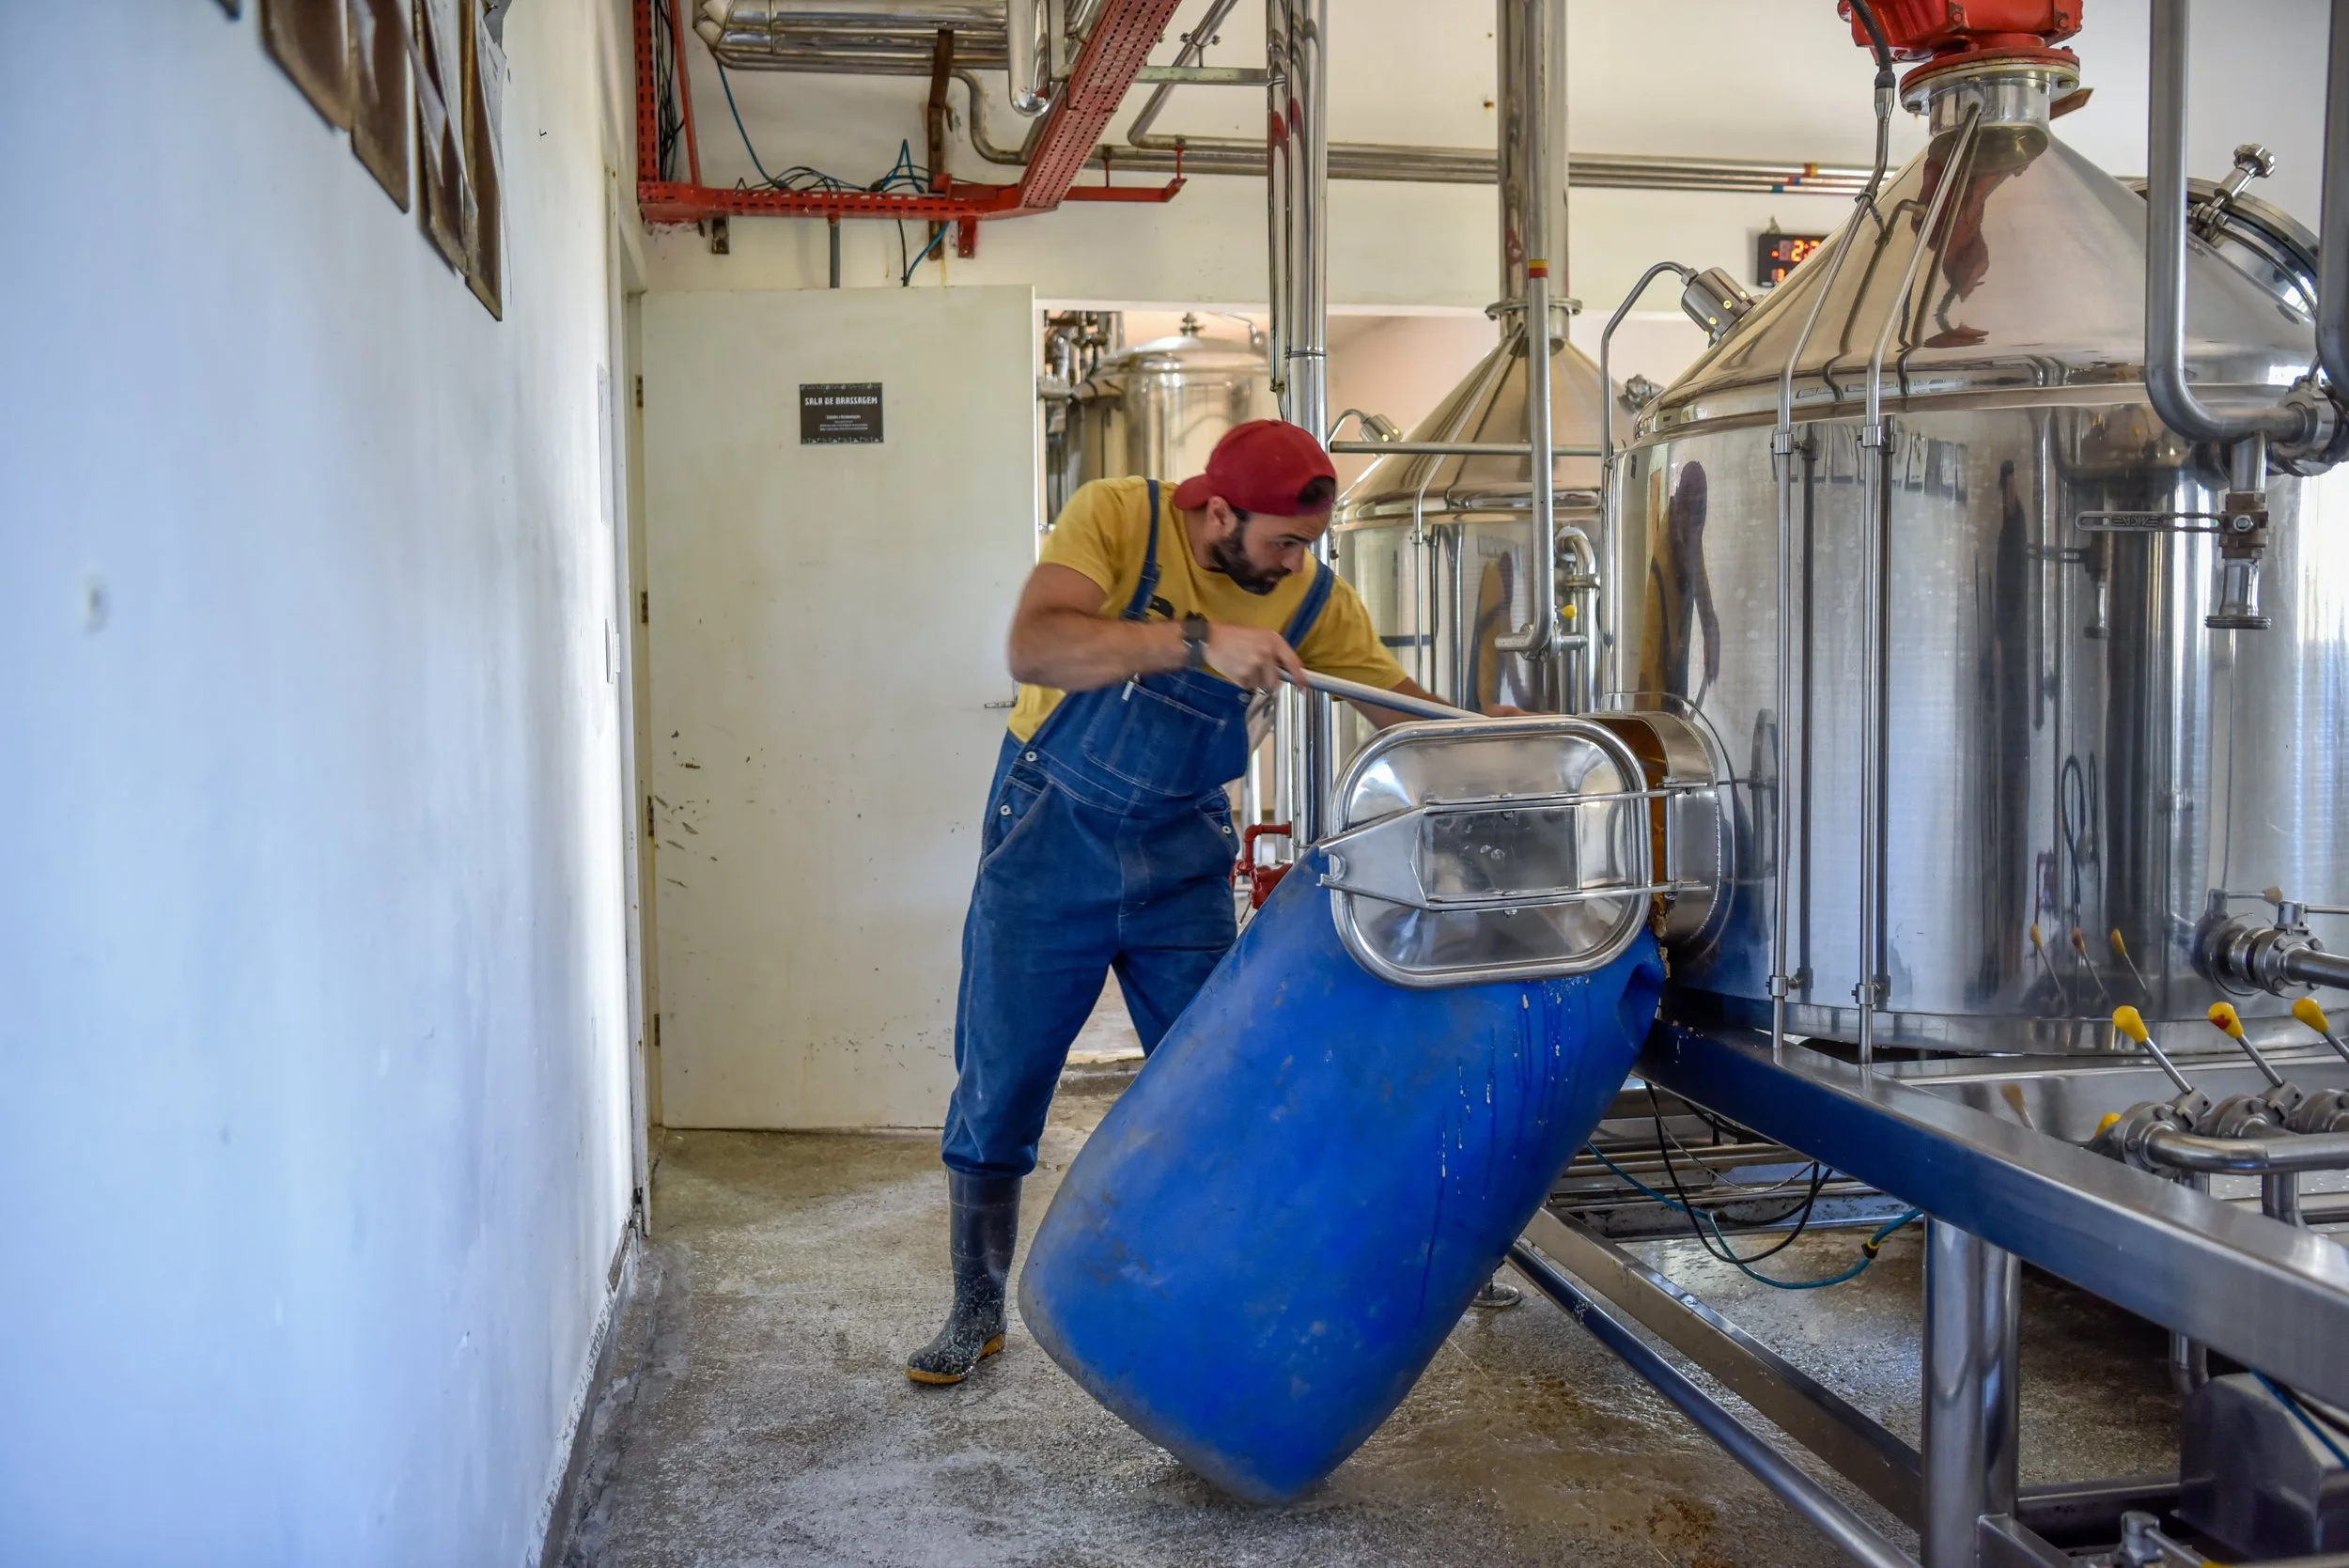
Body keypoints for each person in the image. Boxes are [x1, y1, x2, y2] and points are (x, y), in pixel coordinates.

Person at [906, 419, 1458, 1385]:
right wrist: (1194, 641)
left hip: (1182, 859)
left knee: (1222, 1081)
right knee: (999, 1081)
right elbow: (1034, 647)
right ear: (1218, 513)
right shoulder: (1119, 518)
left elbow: (1396, 707)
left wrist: (1494, 734)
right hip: (1051, 840)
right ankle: (976, 1305)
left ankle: (1222, 1299)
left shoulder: (1311, 594)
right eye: (1283, 541)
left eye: (1308, 545)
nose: (1295, 562)